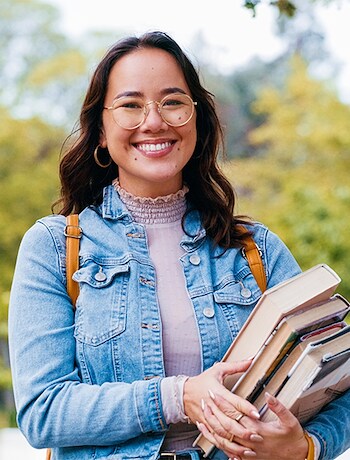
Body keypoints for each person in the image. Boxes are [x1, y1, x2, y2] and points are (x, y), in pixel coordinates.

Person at [8, 31, 350, 460]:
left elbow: (338, 375)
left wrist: (307, 447)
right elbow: (44, 412)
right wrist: (179, 396)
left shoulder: (257, 250)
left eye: (172, 102)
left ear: (196, 119)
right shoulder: (54, 248)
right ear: (100, 131)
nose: (154, 122)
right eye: (131, 105)